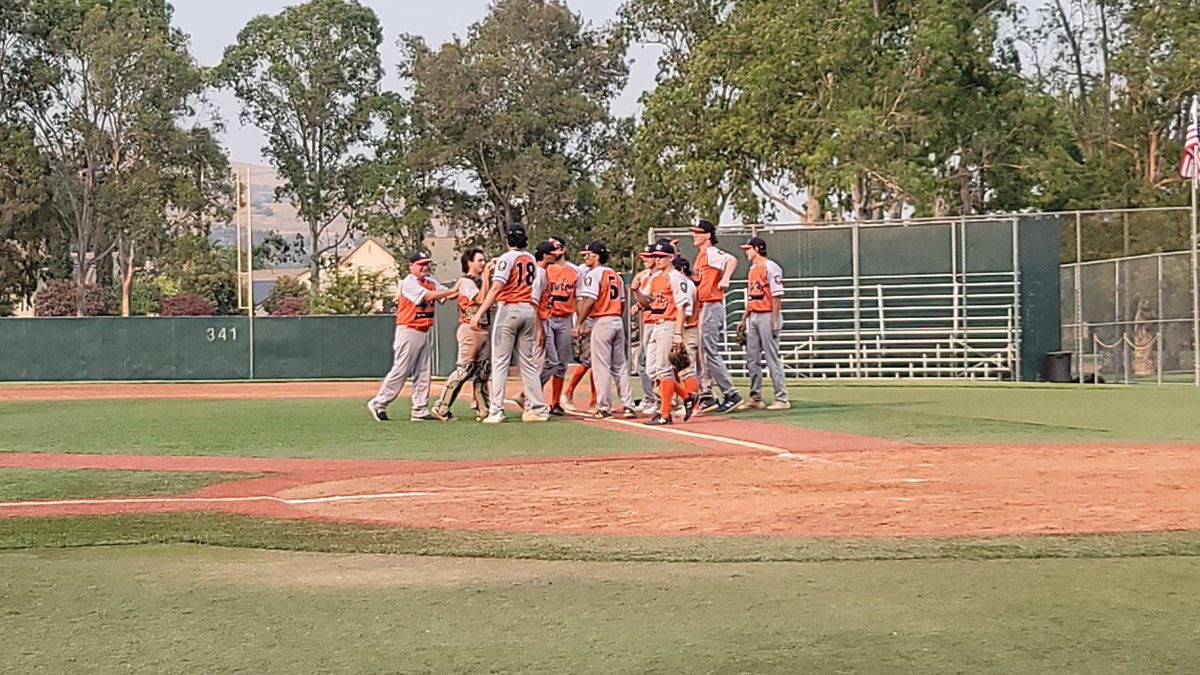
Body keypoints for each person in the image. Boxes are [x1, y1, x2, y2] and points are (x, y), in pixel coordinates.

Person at [368, 252, 461, 422]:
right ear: (411, 267)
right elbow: (428, 296)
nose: (424, 267)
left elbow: (448, 295)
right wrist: (453, 290)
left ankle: (419, 410)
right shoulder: (408, 282)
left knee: (424, 372)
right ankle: (379, 403)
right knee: (401, 370)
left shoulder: (431, 282)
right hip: (408, 330)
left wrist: (462, 285)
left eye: (426, 264)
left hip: (424, 330)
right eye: (420, 264)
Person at [471, 223, 549, 423]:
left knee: (500, 362)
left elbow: (497, 287)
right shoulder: (530, 258)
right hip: (529, 310)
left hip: (510, 310)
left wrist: (479, 313)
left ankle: (496, 410)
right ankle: (538, 409)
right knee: (528, 363)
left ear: (507, 239)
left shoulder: (507, 258)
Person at [632, 240, 695, 425]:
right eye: (655, 257)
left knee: (664, 369)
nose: (657, 259)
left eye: (661, 257)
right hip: (656, 324)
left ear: (671, 257)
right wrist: (636, 292)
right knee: (653, 370)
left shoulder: (676, 278)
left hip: (669, 324)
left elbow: (682, 306)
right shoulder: (655, 278)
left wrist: (677, 334)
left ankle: (665, 413)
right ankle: (687, 396)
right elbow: (647, 303)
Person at [574, 240, 637, 419]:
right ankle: (629, 405)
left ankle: (604, 407)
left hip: (602, 320)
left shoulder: (594, 274)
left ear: (596, 256)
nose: (586, 258)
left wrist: (580, 322)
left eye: (588, 255)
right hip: (617, 319)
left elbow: (590, 300)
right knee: (620, 366)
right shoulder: (614, 275)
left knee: (601, 366)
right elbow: (623, 302)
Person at [431, 248, 493, 421]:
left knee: (482, 371)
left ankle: (483, 409)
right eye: (480, 260)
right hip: (469, 329)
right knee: (464, 369)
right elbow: (480, 299)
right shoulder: (466, 282)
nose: (483, 263)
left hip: (483, 329)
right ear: (469, 263)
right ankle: (441, 406)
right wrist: (488, 276)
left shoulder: (479, 282)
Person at [690, 219, 744, 413]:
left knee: (710, 352)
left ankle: (731, 393)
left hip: (711, 305)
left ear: (708, 235)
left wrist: (726, 278)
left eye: (698, 232)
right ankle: (707, 396)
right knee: (703, 354)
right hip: (704, 306)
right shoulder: (701, 256)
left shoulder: (711, 253)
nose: (694, 235)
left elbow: (732, 260)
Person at [736, 237, 790, 410]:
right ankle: (755, 397)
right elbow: (752, 297)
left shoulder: (771, 268)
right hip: (754, 315)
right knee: (752, 359)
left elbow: (777, 296)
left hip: (768, 315)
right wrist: (744, 318)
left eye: (749, 249)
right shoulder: (752, 269)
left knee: (771, 357)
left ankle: (782, 398)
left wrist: (774, 320)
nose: (747, 252)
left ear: (757, 249)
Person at [538, 238, 578, 416]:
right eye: (552, 248)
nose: (555, 251)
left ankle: (555, 402)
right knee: (548, 361)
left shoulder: (574, 270)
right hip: (548, 317)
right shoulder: (545, 269)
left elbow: (579, 297)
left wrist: (578, 323)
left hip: (565, 318)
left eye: (558, 248)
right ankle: (532, 395)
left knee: (561, 363)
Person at [631, 249, 659, 414]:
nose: (645, 260)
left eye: (648, 257)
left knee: (652, 364)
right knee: (643, 362)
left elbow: (649, 301)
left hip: (657, 322)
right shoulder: (647, 275)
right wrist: (639, 305)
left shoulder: (658, 277)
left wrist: (639, 298)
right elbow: (646, 302)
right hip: (648, 321)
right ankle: (649, 398)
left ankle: (655, 399)